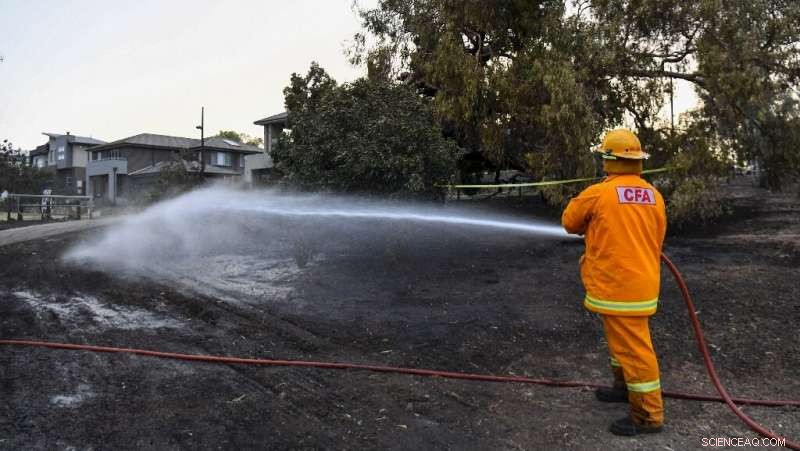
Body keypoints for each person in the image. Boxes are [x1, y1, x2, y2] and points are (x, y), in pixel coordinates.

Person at [561, 129, 667, 436]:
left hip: (617, 287)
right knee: (622, 342)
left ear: (608, 159)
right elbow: (657, 238)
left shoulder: (600, 193)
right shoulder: (654, 196)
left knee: (634, 349)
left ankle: (648, 415)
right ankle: (624, 387)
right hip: (642, 283)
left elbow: (570, 222)